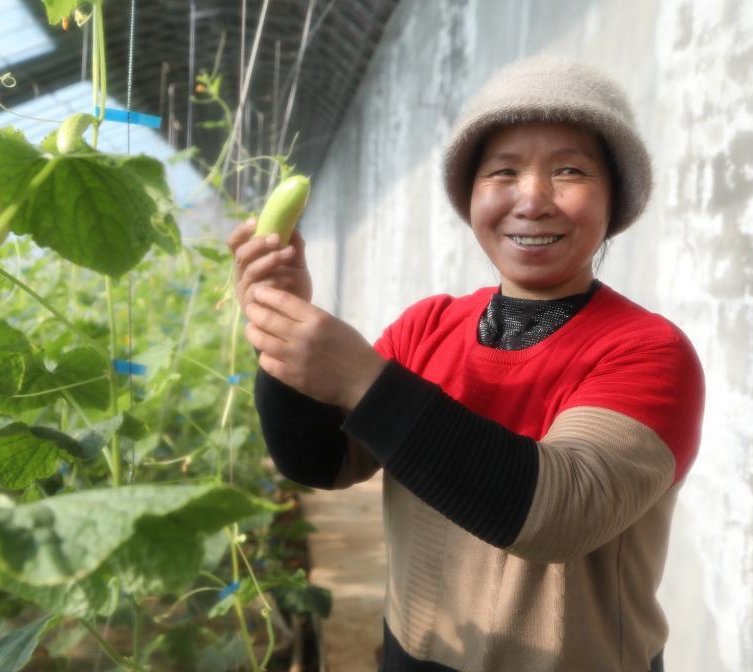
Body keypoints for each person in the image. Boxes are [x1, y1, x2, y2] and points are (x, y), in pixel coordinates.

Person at [227, 56, 705, 672]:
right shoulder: (428, 325)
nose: (531, 200)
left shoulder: (647, 349)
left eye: (570, 171)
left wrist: (360, 378)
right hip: (414, 651)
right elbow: (321, 462)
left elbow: (559, 514)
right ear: (471, 196)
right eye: (502, 172)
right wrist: (279, 332)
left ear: (616, 200)